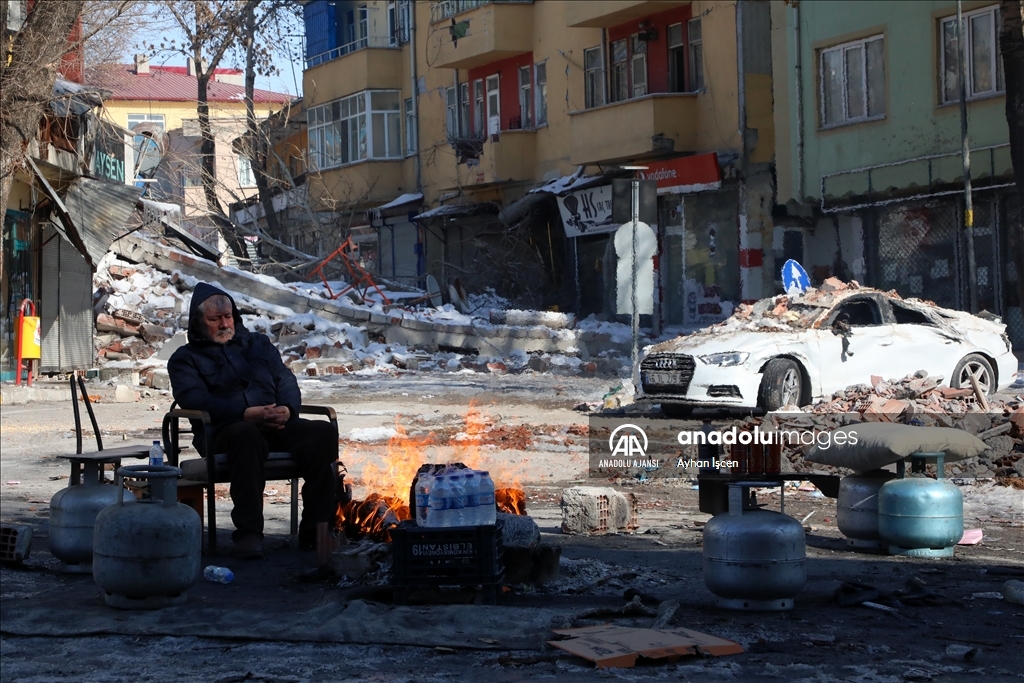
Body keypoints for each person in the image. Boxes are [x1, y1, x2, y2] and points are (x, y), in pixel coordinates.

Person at [168, 283, 337, 558]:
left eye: (228, 316)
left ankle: (317, 530)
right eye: (215, 319)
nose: (224, 324)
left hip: (275, 423)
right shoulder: (185, 358)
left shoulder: (258, 344)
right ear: (199, 323)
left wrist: (287, 410)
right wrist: (244, 413)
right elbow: (194, 399)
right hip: (223, 430)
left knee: (322, 432)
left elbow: (285, 379)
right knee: (246, 434)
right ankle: (248, 533)